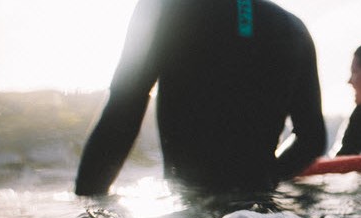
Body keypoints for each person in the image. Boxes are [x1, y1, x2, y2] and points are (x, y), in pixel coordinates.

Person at [75, 0, 326, 196]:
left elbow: (123, 110)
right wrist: (268, 178)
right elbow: (313, 139)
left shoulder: (167, 8)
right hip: (260, 209)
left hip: (191, 214)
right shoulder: (294, 28)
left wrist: (88, 208)